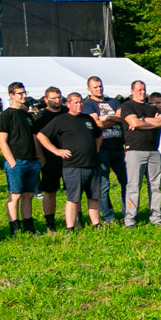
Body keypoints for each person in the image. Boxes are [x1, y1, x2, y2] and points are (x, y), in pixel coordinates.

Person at [36, 93, 103, 231]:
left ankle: (96, 224)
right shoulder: (61, 120)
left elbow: (98, 134)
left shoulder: (88, 119)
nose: (79, 105)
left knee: (94, 197)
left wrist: (96, 149)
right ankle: (70, 227)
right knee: (73, 198)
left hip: (92, 164)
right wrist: (56, 150)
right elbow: (41, 136)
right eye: (76, 103)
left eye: (81, 102)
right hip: (73, 166)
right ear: (68, 104)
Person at [120, 80, 161, 228]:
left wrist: (142, 120)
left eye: (144, 89)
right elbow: (134, 123)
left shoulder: (151, 107)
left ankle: (156, 217)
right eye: (139, 89)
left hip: (154, 151)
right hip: (135, 150)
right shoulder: (127, 106)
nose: (142, 92)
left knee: (155, 186)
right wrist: (149, 122)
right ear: (132, 91)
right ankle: (130, 219)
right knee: (133, 186)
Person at [0, 82, 43, 235]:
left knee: (28, 195)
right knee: (15, 195)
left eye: (24, 92)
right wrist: (11, 161)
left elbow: (33, 137)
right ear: (11, 95)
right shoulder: (6, 115)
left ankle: (28, 226)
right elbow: (2, 140)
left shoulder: (27, 115)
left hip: (31, 161)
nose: (23, 96)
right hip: (17, 161)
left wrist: (38, 157)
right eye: (19, 93)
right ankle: (15, 228)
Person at [82, 76, 127, 224]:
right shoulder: (88, 105)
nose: (99, 89)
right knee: (104, 185)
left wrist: (106, 117)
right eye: (95, 87)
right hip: (102, 149)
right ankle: (108, 216)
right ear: (89, 89)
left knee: (126, 182)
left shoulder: (113, 101)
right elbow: (97, 125)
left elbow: (123, 118)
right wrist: (113, 117)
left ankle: (128, 211)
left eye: (100, 86)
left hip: (118, 147)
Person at [33, 87, 66, 231]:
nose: (58, 100)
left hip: (69, 157)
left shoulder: (66, 112)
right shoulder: (41, 117)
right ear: (46, 100)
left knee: (73, 190)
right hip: (49, 159)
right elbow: (36, 138)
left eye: (59, 97)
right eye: (54, 98)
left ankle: (74, 219)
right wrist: (41, 158)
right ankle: (50, 223)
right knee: (50, 191)